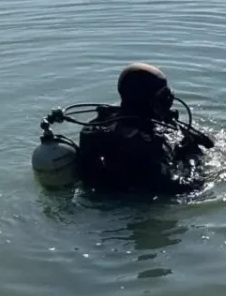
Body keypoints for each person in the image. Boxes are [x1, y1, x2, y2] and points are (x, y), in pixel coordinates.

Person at [75, 63, 215, 197]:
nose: (170, 100)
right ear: (152, 101)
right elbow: (184, 189)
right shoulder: (149, 145)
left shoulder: (100, 124)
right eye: (164, 95)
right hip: (134, 205)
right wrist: (193, 156)